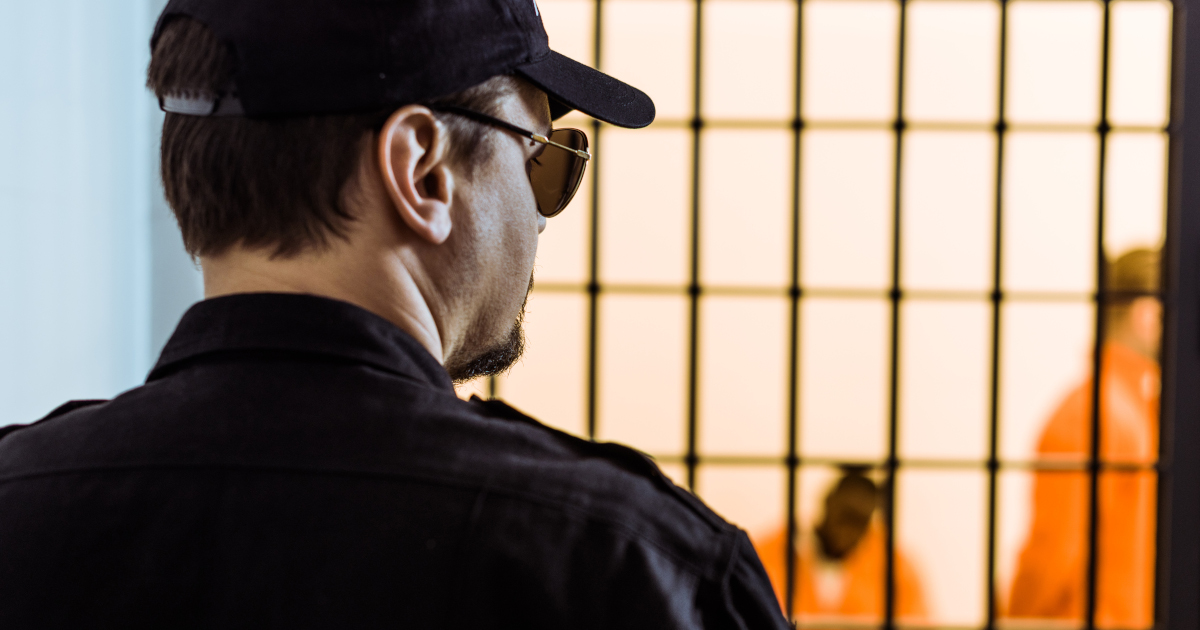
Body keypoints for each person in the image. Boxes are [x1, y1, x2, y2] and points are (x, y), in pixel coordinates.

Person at [0, 1, 787, 627]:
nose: (543, 215)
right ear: (422, 171)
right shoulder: (630, 566)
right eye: (543, 158)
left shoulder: (19, 510)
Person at [1006, 249, 1161, 628]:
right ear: (1145, 315)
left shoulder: (1100, 411)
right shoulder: (1103, 416)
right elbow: (1054, 553)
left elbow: (1050, 555)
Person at [754, 468, 927, 621]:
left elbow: (918, 622)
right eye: (845, 516)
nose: (849, 530)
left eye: (861, 522)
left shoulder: (895, 569)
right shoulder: (770, 554)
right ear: (827, 502)